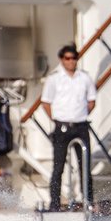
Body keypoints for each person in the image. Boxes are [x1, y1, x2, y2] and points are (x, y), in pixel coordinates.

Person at [40, 44, 97, 211]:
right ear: (62, 60)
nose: (71, 61)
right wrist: (56, 119)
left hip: (81, 126)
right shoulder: (54, 79)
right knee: (58, 167)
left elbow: (91, 101)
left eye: (74, 58)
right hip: (62, 127)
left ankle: (88, 201)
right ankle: (55, 203)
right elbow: (46, 102)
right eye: (68, 58)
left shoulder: (84, 77)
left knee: (84, 165)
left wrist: (81, 114)